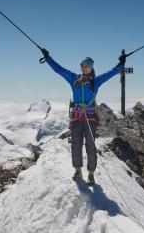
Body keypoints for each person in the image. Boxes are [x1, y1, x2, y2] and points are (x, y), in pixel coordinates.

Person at [41, 48, 126, 184]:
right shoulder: (74, 78)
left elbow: (111, 73)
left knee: (91, 146)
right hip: (76, 118)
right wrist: (48, 58)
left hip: (90, 118)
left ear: (91, 68)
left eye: (87, 66)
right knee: (76, 145)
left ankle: (91, 173)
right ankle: (78, 170)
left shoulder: (96, 81)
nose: (85, 68)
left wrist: (121, 64)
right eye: (83, 66)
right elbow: (59, 70)